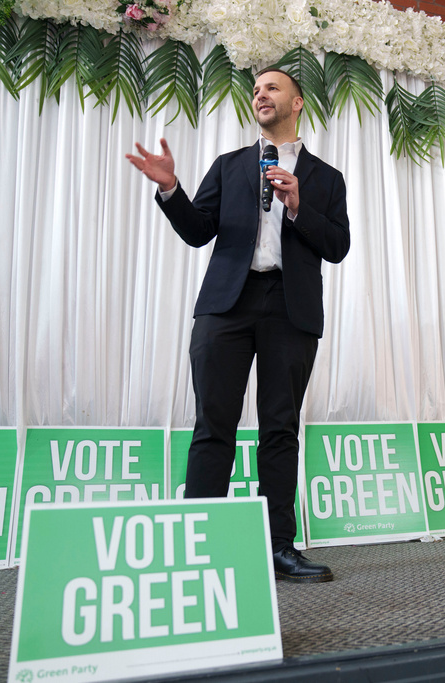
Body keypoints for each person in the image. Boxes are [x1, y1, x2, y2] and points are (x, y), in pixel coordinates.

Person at [127, 68, 350, 583]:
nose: (260, 94)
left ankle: (277, 548)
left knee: (280, 429)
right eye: (255, 90)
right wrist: (171, 189)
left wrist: (298, 206)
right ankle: (198, 544)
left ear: (297, 102)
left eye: (272, 88)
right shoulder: (228, 166)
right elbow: (198, 231)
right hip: (226, 305)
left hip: (291, 309)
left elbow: (337, 247)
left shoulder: (326, 178)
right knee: (213, 426)